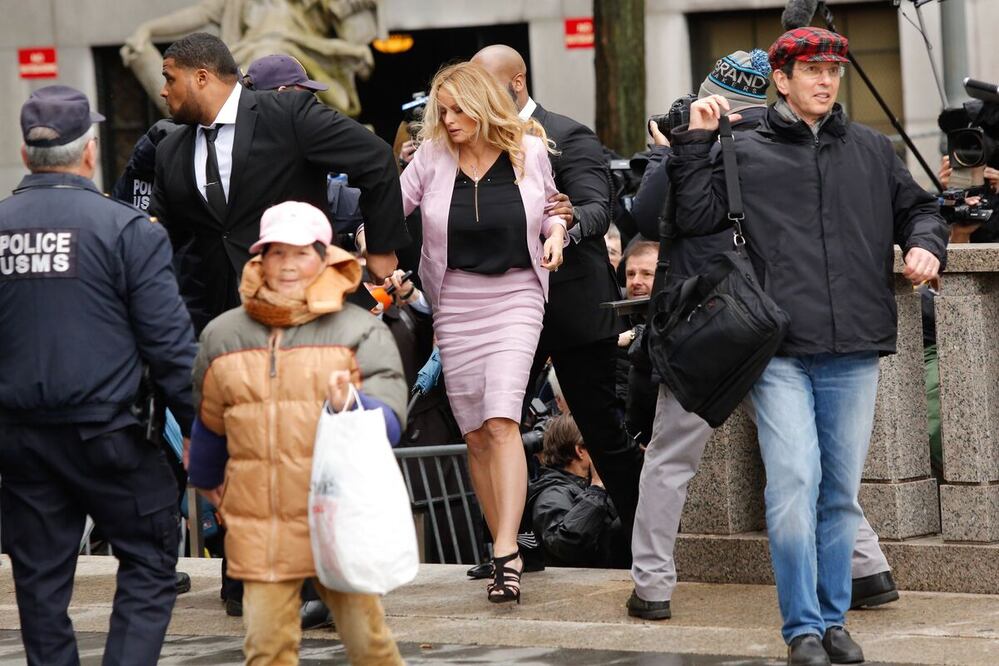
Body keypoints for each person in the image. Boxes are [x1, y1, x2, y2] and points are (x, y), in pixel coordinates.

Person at [668, 28, 948, 665]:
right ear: (782, 79)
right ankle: (801, 629)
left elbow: (922, 210)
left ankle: (833, 620)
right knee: (794, 481)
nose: (826, 80)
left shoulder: (873, 149)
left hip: (855, 345)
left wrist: (926, 244)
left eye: (834, 70)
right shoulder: (740, 147)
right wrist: (694, 144)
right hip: (778, 348)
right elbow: (693, 219)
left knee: (839, 494)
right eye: (813, 70)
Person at [627, 49, 901, 625]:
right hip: (780, 322)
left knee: (672, 456)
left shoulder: (701, 140)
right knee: (810, 462)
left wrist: (667, 149)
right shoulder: (786, 144)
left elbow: (650, 216)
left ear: (712, 95)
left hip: (712, 323)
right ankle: (867, 568)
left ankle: (652, 585)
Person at [0, 85, 197, 665]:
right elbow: (170, 347)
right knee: (151, 559)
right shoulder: (127, 229)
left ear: (25, 153)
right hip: (111, 437)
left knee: (38, 581)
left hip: (20, 441)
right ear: (90, 152)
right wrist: (203, 433)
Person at [188, 201, 406, 664]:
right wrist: (209, 484)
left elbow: (390, 422)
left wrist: (353, 404)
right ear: (260, 259)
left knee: (369, 643)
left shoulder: (358, 330)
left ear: (325, 258)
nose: (288, 265)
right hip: (261, 524)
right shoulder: (223, 334)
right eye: (277, 252)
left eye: (302, 253)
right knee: (266, 648)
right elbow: (210, 424)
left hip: (339, 520)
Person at [400, 61, 567, 604]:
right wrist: (362, 242)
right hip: (455, 301)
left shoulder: (529, 151)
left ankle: (505, 551)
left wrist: (557, 233)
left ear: (482, 105)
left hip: (517, 294)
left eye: (458, 110)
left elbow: (550, 210)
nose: (448, 120)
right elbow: (389, 212)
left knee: (500, 419)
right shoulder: (430, 158)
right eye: (442, 111)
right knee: (475, 432)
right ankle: (504, 546)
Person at [473, 45, 643, 546]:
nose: (477, 99)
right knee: (494, 427)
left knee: (602, 432)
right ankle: (513, 547)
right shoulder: (473, 146)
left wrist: (566, 225)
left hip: (573, 310)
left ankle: (647, 544)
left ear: (518, 82)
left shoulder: (569, 135)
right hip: (506, 308)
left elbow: (596, 208)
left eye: (485, 87)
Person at [151, 32, 408, 334]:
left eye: (169, 79)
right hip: (228, 324)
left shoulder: (286, 114)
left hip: (312, 310)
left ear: (201, 78)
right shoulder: (169, 151)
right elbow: (161, 239)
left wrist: (380, 246)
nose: (163, 91)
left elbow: (375, 157)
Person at [528, 414, 627, 568]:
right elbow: (564, 543)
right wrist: (596, 489)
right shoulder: (551, 493)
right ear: (580, 450)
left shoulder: (588, 485)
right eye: (599, 445)